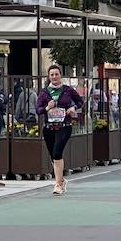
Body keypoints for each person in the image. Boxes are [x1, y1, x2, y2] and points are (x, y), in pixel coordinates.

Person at [36, 64, 84, 195]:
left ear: (60, 75)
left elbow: (80, 101)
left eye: (56, 74)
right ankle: (61, 181)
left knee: (57, 152)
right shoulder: (44, 92)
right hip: (49, 127)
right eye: (52, 75)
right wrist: (47, 107)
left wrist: (73, 108)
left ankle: (57, 184)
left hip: (64, 126)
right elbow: (38, 110)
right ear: (48, 76)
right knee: (53, 155)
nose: (54, 77)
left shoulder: (68, 90)